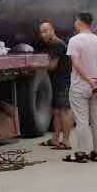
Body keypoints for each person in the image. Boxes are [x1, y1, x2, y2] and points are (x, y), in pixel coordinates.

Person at [65, 12, 97, 164]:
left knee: (81, 120)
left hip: (80, 86)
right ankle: (96, 152)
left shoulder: (75, 41)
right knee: (96, 120)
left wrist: (89, 81)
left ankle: (81, 153)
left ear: (79, 22)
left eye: (75, 21)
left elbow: (76, 64)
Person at [37, 20, 72, 150]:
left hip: (63, 82)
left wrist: (37, 66)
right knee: (56, 111)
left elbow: (52, 66)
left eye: (46, 31)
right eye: (41, 32)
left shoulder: (58, 45)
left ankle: (66, 141)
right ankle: (55, 139)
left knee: (64, 111)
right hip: (56, 82)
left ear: (52, 30)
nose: (43, 34)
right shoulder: (52, 45)